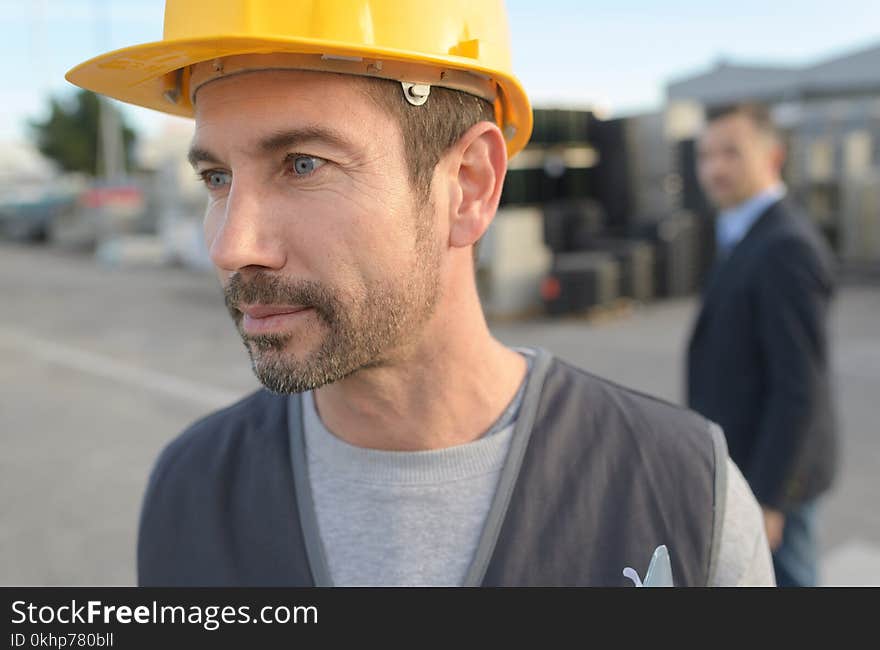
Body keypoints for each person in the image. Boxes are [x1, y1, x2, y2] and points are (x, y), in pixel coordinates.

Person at [68, 0, 773, 587]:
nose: (230, 245)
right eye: (216, 177)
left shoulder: (682, 494)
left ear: (468, 185)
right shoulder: (189, 492)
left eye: (302, 164)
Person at [687, 103, 838, 586]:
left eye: (731, 152)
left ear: (773, 156)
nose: (715, 167)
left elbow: (800, 387)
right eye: (706, 155)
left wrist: (771, 497)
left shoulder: (784, 246)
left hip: (771, 477)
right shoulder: (743, 232)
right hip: (747, 468)